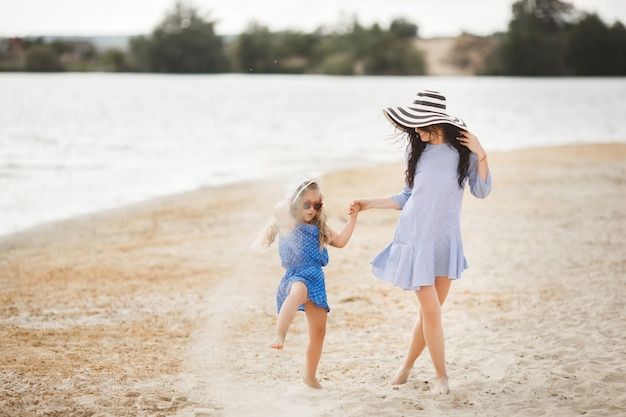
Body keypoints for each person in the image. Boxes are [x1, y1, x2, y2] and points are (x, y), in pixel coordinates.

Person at [351, 89, 492, 395]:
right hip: (415, 239)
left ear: (435, 122)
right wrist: (368, 204)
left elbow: (481, 191)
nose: (415, 129)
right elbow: (405, 197)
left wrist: (481, 153)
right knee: (432, 312)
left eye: (419, 123)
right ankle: (442, 378)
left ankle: (404, 368)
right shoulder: (416, 154)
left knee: (431, 313)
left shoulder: (462, 155)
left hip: (445, 240)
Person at [258, 174, 360, 389]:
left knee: (318, 332)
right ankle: (280, 332)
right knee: (298, 293)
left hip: (316, 279)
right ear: (295, 203)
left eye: (317, 205)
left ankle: (310, 376)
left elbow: (341, 241)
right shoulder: (289, 223)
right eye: (306, 204)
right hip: (296, 276)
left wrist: (353, 218)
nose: (311, 209)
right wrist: (295, 192)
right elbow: (278, 208)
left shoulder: (319, 228)